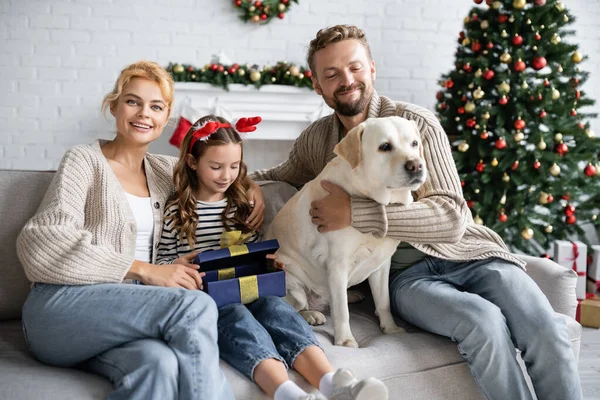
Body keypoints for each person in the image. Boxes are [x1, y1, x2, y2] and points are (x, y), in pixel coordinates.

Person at [249, 25, 583, 400]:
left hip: (471, 255)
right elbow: (276, 175)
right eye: (332, 74)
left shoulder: (415, 123)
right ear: (318, 85)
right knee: (482, 322)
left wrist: (359, 214)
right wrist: (244, 185)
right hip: (408, 280)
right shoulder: (319, 140)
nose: (347, 80)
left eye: (355, 68)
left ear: (372, 69)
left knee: (544, 327)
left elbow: (453, 217)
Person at [15, 60, 267, 400]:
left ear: (166, 119)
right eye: (133, 101)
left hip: (126, 316)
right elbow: (40, 244)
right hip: (60, 307)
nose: (143, 113)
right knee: (193, 306)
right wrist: (146, 271)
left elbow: (222, 170)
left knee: (158, 363)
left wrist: (252, 186)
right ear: (114, 106)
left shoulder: (167, 171)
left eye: (156, 106)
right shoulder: (84, 161)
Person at [156, 114, 389, 400]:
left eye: (234, 167)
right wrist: (179, 267)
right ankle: (288, 393)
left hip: (248, 288)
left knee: (279, 310)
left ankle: (333, 384)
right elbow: (163, 262)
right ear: (193, 163)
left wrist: (268, 263)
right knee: (238, 319)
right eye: (216, 167)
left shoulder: (241, 203)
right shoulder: (177, 211)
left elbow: (252, 246)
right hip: (208, 297)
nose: (226, 176)